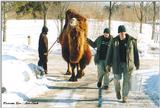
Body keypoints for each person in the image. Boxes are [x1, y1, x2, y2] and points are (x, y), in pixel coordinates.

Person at [105, 25, 140, 102]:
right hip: (117, 64)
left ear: (125, 32)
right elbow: (109, 53)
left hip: (128, 64)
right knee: (116, 79)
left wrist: (137, 63)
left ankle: (125, 96)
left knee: (127, 80)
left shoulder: (131, 41)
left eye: (123, 32)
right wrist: (108, 64)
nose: (122, 34)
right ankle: (117, 91)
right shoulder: (114, 41)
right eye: (120, 33)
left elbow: (135, 53)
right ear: (118, 33)